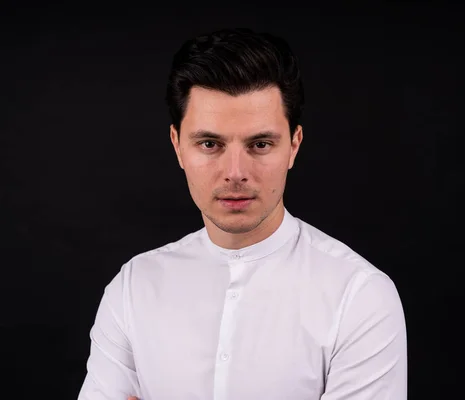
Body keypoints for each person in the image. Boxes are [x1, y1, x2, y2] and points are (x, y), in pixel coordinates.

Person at [77, 28, 407, 400]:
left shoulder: (359, 296)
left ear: (294, 146)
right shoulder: (134, 287)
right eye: (210, 144)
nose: (235, 171)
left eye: (260, 144)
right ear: (178, 146)